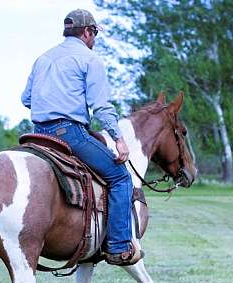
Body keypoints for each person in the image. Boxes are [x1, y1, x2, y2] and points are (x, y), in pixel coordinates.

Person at [21, 9, 142, 265]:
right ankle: (119, 246)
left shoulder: (43, 58)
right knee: (120, 177)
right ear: (88, 32)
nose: (94, 39)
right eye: (94, 34)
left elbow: (26, 99)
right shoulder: (89, 59)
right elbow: (101, 106)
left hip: (36, 135)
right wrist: (118, 138)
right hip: (69, 134)